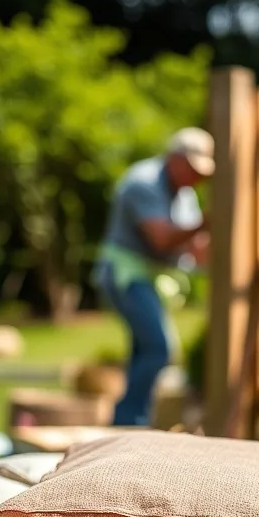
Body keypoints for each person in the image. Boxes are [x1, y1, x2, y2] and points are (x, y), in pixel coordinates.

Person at [93, 127, 214, 427]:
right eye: (193, 170)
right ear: (175, 159)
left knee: (144, 350)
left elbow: (194, 248)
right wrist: (208, 222)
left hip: (150, 277)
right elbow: (162, 239)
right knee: (159, 348)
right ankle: (130, 421)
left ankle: (129, 421)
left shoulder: (184, 194)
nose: (197, 178)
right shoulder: (142, 183)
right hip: (126, 273)